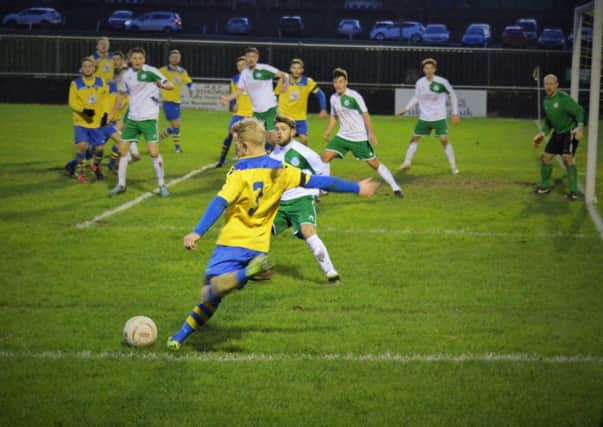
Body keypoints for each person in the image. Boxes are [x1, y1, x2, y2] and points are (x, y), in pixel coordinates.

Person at [166, 118, 378, 351]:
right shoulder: (280, 169)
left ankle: (245, 274)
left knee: (210, 291)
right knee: (217, 295)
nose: (236, 148)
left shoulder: (238, 172)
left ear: (245, 146)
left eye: (237, 144)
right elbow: (318, 181)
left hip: (232, 243)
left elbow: (219, 202)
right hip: (258, 246)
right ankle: (180, 337)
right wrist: (356, 187)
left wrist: (197, 232)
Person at [270, 116, 340, 284]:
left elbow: (322, 168)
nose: (279, 133)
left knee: (308, 232)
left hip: (301, 200)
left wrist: (320, 190)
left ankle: (332, 275)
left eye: (283, 129)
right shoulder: (274, 154)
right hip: (280, 204)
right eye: (277, 129)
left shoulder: (303, 152)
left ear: (293, 132)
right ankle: (246, 270)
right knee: (259, 233)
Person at [322, 67, 403, 198]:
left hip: (358, 137)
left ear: (346, 82)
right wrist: (328, 131)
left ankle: (395, 187)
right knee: (325, 157)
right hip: (342, 136)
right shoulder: (333, 98)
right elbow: (334, 116)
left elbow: (366, 115)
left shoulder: (354, 96)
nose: (338, 85)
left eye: (341, 81)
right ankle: (325, 189)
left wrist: (371, 133)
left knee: (374, 164)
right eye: (336, 82)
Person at [107, 47, 174, 197]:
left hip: (149, 118)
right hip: (132, 118)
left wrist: (162, 85)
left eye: (140, 58)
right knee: (122, 151)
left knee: (154, 153)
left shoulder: (151, 71)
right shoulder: (126, 75)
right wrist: (112, 113)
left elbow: (171, 85)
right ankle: (121, 184)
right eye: (134, 58)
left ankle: (162, 185)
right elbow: (121, 95)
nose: (137, 60)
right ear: (130, 60)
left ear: (144, 60)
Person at [397, 58, 460, 174]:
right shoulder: (420, 82)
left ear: (435, 69)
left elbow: (452, 95)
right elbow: (416, 97)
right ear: (423, 70)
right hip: (424, 118)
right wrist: (406, 109)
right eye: (426, 68)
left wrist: (455, 113)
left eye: (431, 68)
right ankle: (407, 162)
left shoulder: (442, 82)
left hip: (439, 117)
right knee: (414, 138)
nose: (428, 70)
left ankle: (453, 167)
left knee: (444, 140)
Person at [66, 57, 124, 182]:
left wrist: (105, 115)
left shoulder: (101, 82)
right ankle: (80, 172)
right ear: (81, 69)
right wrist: (84, 111)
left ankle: (95, 166)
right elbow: (72, 102)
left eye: (90, 66)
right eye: (85, 66)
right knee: (82, 146)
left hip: (97, 122)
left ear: (94, 69)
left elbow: (106, 100)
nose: (87, 68)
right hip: (81, 122)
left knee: (100, 149)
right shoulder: (76, 83)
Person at [220, 47, 289, 149]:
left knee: (272, 137)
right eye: (248, 57)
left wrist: (285, 84)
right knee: (258, 138)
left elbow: (284, 75)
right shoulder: (244, 74)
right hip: (256, 111)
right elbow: (239, 90)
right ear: (246, 59)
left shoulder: (264, 69)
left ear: (257, 58)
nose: (251, 59)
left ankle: (282, 156)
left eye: (253, 57)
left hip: (270, 109)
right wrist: (227, 99)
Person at [532, 74, 585, 200]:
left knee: (567, 159)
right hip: (557, 134)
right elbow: (549, 121)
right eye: (546, 84)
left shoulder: (563, 99)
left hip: (569, 132)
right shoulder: (546, 101)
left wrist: (580, 127)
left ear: (557, 85)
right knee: (545, 158)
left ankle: (574, 191)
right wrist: (542, 134)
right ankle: (545, 185)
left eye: (551, 84)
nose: (548, 86)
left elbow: (579, 111)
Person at [274, 58, 328, 145]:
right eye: (294, 68)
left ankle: (302, 158)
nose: (296, 70)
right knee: (280, 141)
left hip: (300, 118)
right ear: (290, 69)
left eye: (298, 68)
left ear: (302, 70)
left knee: (304, 140)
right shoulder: (283, 80)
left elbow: (320, 94)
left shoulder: (307, 82)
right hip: (284, 117)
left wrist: (323, 108)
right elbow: (275, 96)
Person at [216, 56, 254, 167]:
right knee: (230, 134)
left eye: (243, 65)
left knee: (252, 138)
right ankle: (221, 160)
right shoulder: (234, 79)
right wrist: (232, 104)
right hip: (239, 113)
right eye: (239, 66)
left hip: (252, 114)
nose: (241, 67)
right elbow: (233, 95)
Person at [159, 49, 193, 153]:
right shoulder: (162, 70)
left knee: (175, 127)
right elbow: (154, 79)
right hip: (168, 102)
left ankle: (157, 139)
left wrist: (191, 88)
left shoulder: (181, 71)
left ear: (179, 59)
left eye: (177, 57)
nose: (175, 59)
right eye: (173, 57)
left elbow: (189, 82)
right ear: (169, 58)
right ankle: (177, 148)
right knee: (176, 126)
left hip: (177, 102)